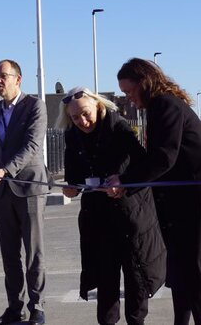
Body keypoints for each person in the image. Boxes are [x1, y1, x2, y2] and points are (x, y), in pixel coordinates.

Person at [112, 58, 201, 325]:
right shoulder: (160, 105)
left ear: (144, 83)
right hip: (185, 196)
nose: (129, 99)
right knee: (180, 266)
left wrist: (126, 182)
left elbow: (164, 157)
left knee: (196, 264)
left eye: (130, 91)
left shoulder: (165, 105)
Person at [57, 87, 166, 325]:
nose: (82, 121)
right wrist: (71, 187)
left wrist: (122, 181)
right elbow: (74, 173)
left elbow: (142, 164)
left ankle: (137, 322)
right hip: (98, 216)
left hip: (131, 213)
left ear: (98, 106)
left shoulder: (119, 127)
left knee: (136, 275)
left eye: (85, 114)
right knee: (105, 275)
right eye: (75, 118)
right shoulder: (72, 135)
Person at [0, 59, 50, 325]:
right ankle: (15, 306)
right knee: (9, 254)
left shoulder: (35, 106)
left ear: (18, 79)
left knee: (34, 252)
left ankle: (38, 306)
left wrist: (6, 170)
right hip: (2, 192)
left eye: (3, 76)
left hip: (30, 188)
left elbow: (32, 145)